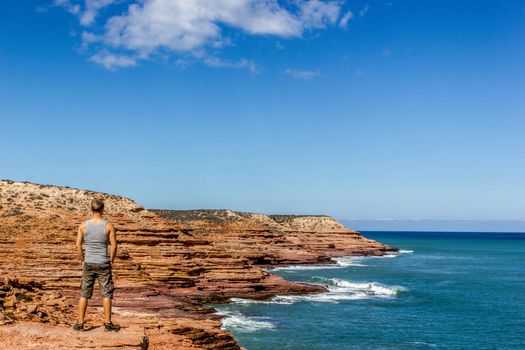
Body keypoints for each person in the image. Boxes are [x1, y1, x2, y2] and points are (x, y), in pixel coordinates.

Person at [73, 198, 120, 332]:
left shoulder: (83, 225)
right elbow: (114, 246)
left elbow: (77, 245)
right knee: (106, 294)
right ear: (103, 209)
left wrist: (82, 259)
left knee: (84, 294)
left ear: (91, 209)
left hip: (88, 263)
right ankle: (108, 323)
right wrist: (111, 260)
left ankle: (80, 324)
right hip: (103, 262)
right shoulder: (108, 225)